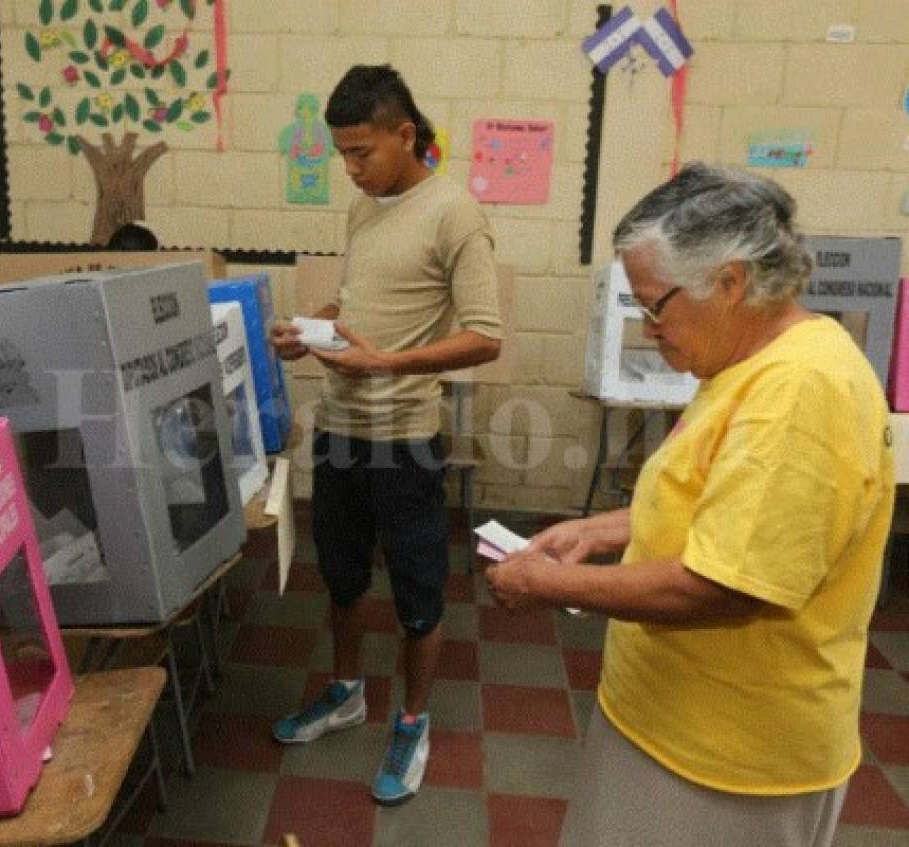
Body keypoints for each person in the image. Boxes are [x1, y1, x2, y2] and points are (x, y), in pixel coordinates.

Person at [486, 163, 894, 846]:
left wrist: (546, 582)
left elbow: (724, 584)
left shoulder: (797, 392)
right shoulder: (747, 362)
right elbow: (722, 503)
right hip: (676, 720)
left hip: (730, 758)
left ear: (730, 283)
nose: (649, 329)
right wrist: (601, 528)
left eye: (655, 305)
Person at [269, 64, 502, 805]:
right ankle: (345, 692)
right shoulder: (362, 209)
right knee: (339, 576)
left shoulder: (454, 211)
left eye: (362, 152)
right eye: (341, 153)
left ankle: (412, 716)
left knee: (417, 592)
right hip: (339, 430)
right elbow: (363, 297)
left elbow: (485, 337)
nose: (351, 168)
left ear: (406, 135)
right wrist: (318, 328)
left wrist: (389, 363)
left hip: (405, 436)